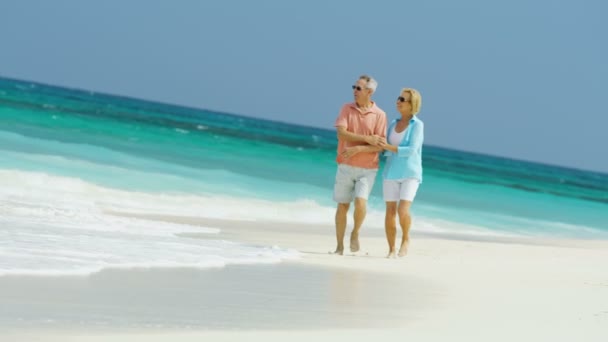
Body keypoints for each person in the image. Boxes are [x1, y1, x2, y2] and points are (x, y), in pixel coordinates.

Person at [332, 74, 387, 255]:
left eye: (359, 88)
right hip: (345, 165)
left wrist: (358, 149)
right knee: (342, 206)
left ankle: (355, 233)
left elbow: (379, 146)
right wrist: (366, 139)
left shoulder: (380, 115)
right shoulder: (346, 108)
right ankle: (339, 246)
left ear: (369, 92)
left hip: (368, 168)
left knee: (361, 202)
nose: (354, 91)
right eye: (354, 87)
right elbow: (341, 134)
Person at [378, 88, 424, 258]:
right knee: (390, 211)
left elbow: (411, 150)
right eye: (398, 98)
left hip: (410, 173)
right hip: (390, 172)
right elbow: (387, 151)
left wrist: (387, 147)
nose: (398, 101)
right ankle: (391, 249)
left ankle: (406, 239)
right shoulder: (392, 123)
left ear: (412, 104)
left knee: (402, 211)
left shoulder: (418, 125)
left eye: (402, 99)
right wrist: (380, 148)